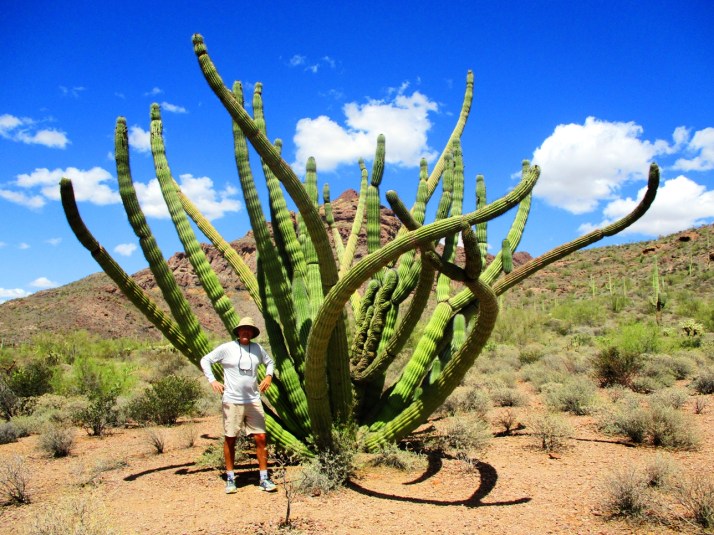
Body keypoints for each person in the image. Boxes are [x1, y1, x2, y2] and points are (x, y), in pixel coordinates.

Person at [200, 316, 277, 493]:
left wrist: (268, 376)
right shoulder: (227, 348)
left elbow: (270, 362)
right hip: (232, 400)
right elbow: (206, 360)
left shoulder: (257, 348)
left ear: (252, 333)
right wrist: (212, 380)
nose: (246, 332)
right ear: (238, 331)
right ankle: (230, 478)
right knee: (230, 438)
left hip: (253, 400)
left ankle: (264, 478)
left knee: (261, 437)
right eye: (243, 329)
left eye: (249, 329)